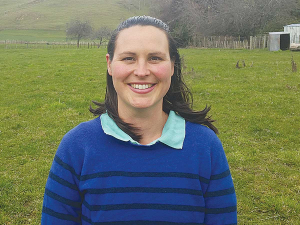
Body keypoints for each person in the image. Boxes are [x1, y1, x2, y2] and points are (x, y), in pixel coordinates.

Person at [42, 16, 237, 224]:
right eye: (128, 58)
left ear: (172, 65)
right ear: (109, 65)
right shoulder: (76, 147)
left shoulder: (206, 147)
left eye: (155, 58)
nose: (142, 71)